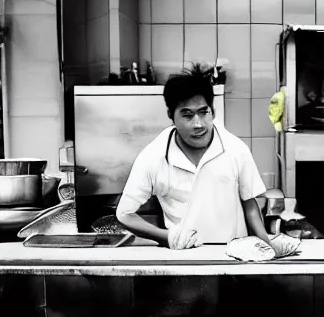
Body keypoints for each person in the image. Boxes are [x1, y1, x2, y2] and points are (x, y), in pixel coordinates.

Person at [116, 63, 274, 251]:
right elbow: (124, 214)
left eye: (203, 112)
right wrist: (167, 238)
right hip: (185, 257)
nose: (198, 124)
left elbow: (249, 204)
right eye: (187, 115)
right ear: (171, 116)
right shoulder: (154, 156)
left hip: (234, 256)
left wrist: (268, 244)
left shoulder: (235, 149)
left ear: (213, 111)